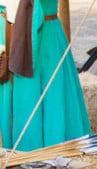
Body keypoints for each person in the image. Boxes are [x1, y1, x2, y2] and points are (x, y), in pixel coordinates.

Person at [1, 0, 90, 151]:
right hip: (9, 30)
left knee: (49, 99)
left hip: (45, 38)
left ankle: (50, 152)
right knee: (19, 98)